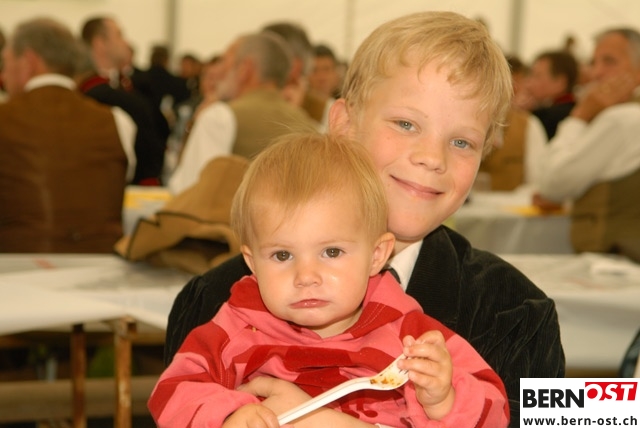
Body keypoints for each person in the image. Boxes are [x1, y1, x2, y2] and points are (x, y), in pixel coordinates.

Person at [165, 11, 565, 426]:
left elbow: (585, 412)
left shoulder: (520, 312)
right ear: (344, 124)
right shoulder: (214, 299)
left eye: (462, 142)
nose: (432, 158)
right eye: (406, 124)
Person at [149, 132, 509, 428]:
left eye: (331, 252)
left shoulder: (412, 338)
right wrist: (227, 415)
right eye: (282, 256)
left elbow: (499, 410)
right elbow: (171, 393)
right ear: (252, 263)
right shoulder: (233, 328)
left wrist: (444, 400)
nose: (306, 277)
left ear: (377, 255)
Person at [0, 17, 136, 252]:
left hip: (16, 266)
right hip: (103, 265)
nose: (3, 76)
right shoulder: (117, 121)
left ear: (30, 61)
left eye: (6, 63)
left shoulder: (5, 117)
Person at [533, 28, 640, 257]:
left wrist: (579, 116)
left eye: (609, 61)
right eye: (594, 62)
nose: (597, 73)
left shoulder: (622, 120)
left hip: (612, 262)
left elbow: (551, 184)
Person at [167, 31, 317, 194]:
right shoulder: (310, 125)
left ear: (245, 69)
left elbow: (190, 191)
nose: (218, 72)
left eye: (226, 61)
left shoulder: (219, 117)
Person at [80, 15, 167, 185]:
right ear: (100, 43)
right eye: (119, 35)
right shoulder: (90, 92)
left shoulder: (127, 85)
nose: (125, 42)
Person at [479, 55, 547, 190]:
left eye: (517, 83)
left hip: (512, 201)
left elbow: (537, 179)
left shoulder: (529, 124)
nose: (511, 88)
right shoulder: (468, 118)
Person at [525, 50, 579, 139]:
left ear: (560, 82)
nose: (528, 83)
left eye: (537, 76)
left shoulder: (545, 117)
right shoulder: (575, 108)